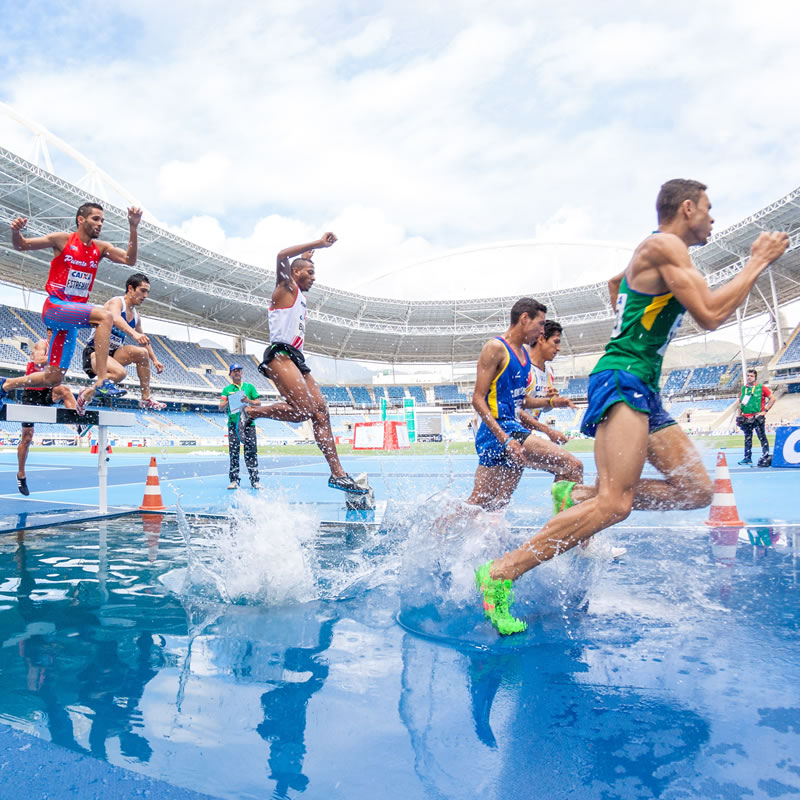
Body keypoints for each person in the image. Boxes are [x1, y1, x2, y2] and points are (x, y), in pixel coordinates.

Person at [475, 179, 790, 635]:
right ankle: (500, 573)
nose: (713, 219)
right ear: (686, 208)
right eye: (708, 209)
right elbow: (710, 313)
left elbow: (615, 283)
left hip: (642, 384)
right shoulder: (665, 244)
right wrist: (757, 259)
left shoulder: (658, 255)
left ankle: (577, 495)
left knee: (695, 491)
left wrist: (636, 323)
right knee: (616, 505)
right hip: (623, 379)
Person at [239, 233, 369, 494]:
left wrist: (309, 257)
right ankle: (251, 413)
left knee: (321, 411)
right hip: (280, 354)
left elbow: (297, 262)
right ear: (295, 273)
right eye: (309, 272)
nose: (314, 277)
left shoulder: (298, 291)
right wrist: (317, 244)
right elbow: (281, 256)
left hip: (297, 358)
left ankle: (338, 474)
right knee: (303, 412)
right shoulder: (285, 287)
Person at [0, 203, 143, 412]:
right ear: (81, 220)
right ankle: (102, 380)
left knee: (54, 377)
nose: (100, 224)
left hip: (71, 318)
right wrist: (15, 232)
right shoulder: (62, 240)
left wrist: (133, 227)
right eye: (95, 219)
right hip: (55, 307)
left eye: (102, 220)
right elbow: (21, 245)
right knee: (105, 317)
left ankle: (5, 384)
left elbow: (130, 260)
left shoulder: (100, 249)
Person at [466, 310, 581, 512]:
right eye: (555, 341)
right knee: (572, 466)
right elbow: (511, 407)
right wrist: (548, 431)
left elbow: (522, 401)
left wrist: (552, 402)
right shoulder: (512, 358)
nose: (559, 348)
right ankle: (565, 533)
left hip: (512, 433)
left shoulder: (536, 367)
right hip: (505, 430)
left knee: (490, 504)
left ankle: (437, 529)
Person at [81, 273, 166, 410]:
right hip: (95, 352)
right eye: (142, 291)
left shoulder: (136, 316)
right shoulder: (116, 302)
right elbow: (114, 317)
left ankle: (146, 398)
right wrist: (133, 333)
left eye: (147, 292)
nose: (145, 296)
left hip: (113, 354)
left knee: (142, 353)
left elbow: (143, 338)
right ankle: (86, 394)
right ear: (131, 288)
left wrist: (154, 360)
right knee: (120, 373)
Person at [16, 335, 79, 496]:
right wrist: (58, 358)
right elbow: (38, 361)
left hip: (46, 391)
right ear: (50, 333)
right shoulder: (41, 344)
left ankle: (78, 422)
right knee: (27, 438)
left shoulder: (60, 349)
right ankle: (21, 474)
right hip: (30, 394)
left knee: (65, 390)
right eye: (55, 333)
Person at [221, 363, 261, 490]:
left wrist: (248, 400)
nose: (237, 372)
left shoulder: (249, 387)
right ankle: (234, 480)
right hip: (233, 424)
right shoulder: (226, 389)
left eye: (239, 370)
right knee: (233, 452)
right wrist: (231, 400)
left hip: (249, 424)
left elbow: (258, 403)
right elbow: (220, 406)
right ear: (230, 374)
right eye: (234, 371)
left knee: (251, 452)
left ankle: (255, 481)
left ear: (242, 373)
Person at [736, 367, 774, 465]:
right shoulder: (743, 389)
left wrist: (765, 411)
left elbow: (772, 398)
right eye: (748, 376)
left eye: (751, 376)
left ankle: (765, 456)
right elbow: (740, 403)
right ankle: (747, 458)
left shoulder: (761, 387)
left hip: (757, 417)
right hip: (746, 418)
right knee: (747, 438)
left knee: (762, 437)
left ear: (755, 377)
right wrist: (739, 416)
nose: (749, 378)